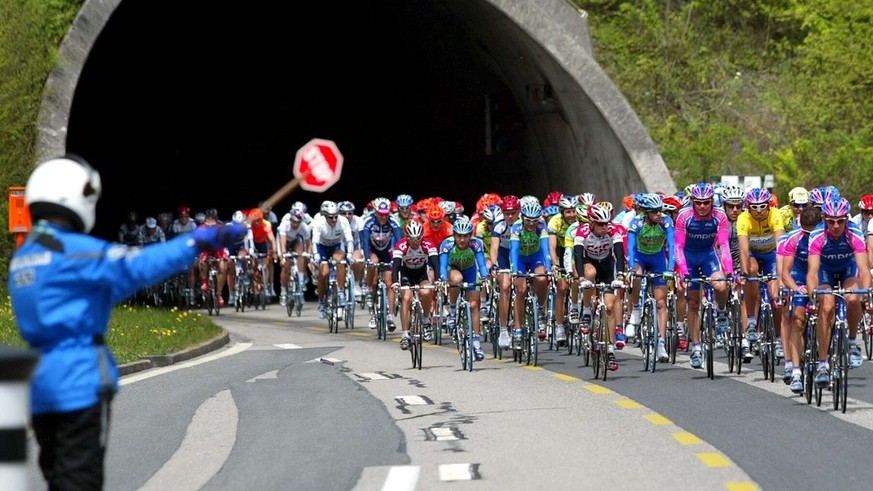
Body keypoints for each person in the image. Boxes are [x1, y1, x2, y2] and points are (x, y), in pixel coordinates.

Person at [8, 155, 244, 490]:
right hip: (78, 381)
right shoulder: (74, 251)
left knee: (57, 474)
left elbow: (97, 287)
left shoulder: (26, 254)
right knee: (80, 479)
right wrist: (200, 240)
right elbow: (138, 265)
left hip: (40, 382)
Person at [392, 220, 440, 349]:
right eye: (412, 239)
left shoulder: (428, 244)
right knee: (406, 298)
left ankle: (425, 319)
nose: (415, 241)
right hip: (406, 273)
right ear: (406, 237)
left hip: (421, 273)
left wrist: (438, 280)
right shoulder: (401, 245)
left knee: (426, 291)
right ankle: (405, 334)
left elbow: (436, 264)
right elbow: (395, 266)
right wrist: (395, 282)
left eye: (418, 238)